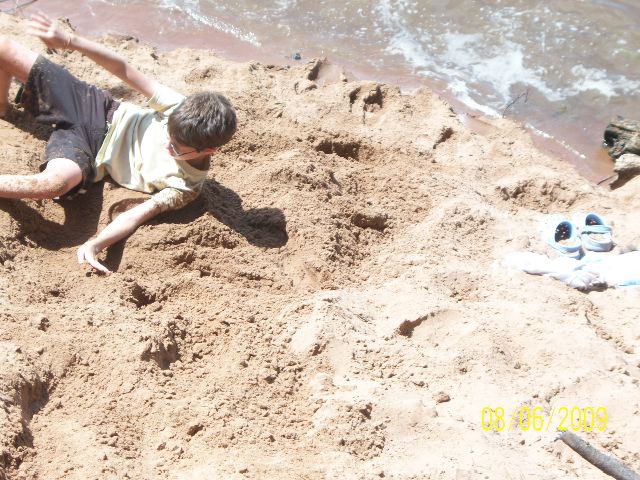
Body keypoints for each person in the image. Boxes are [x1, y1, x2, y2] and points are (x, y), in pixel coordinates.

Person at [0, 13, 237, 273]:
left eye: (177, 148)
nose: (168, 147)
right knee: (4, 49)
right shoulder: (180, 107)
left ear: (209, 150)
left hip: (90, 150)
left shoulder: (186, 186)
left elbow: (135, 215)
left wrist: (97, 243)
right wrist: (68, 40)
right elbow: (123, 69)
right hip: (96, 106)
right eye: (168, 136)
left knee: (52, 184)